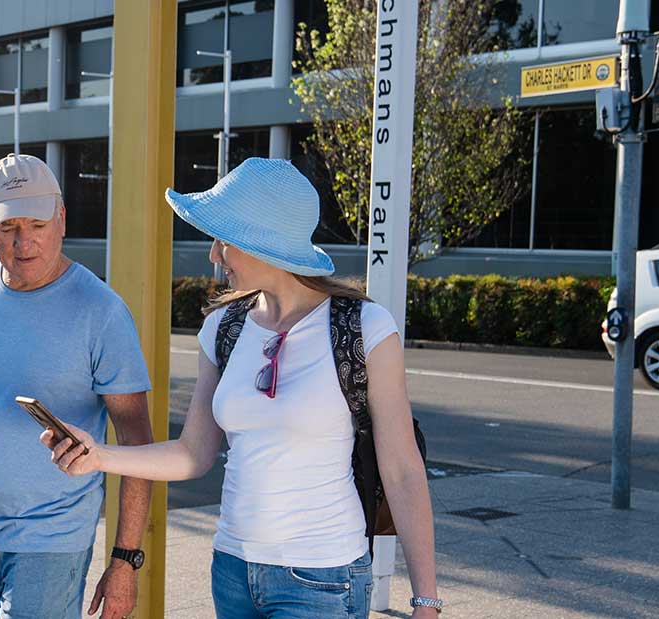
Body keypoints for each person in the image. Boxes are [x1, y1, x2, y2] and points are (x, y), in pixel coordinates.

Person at [39, 158, 443, 619]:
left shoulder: (364, 328)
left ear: (262, 241)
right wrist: (99, 456)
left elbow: (403, 469)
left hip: (320, 579)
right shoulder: (223, 327)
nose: (214, 255)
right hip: (233, 572)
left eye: (223, 241)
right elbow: (194, 453)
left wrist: (425, 601)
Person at [0, 153, 156, 619]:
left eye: (37, 224)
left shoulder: (100, 311)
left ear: (60, 218)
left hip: (53, 540)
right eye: (7, 228)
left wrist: (124, 561)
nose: (24, 242)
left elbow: (138, 446)